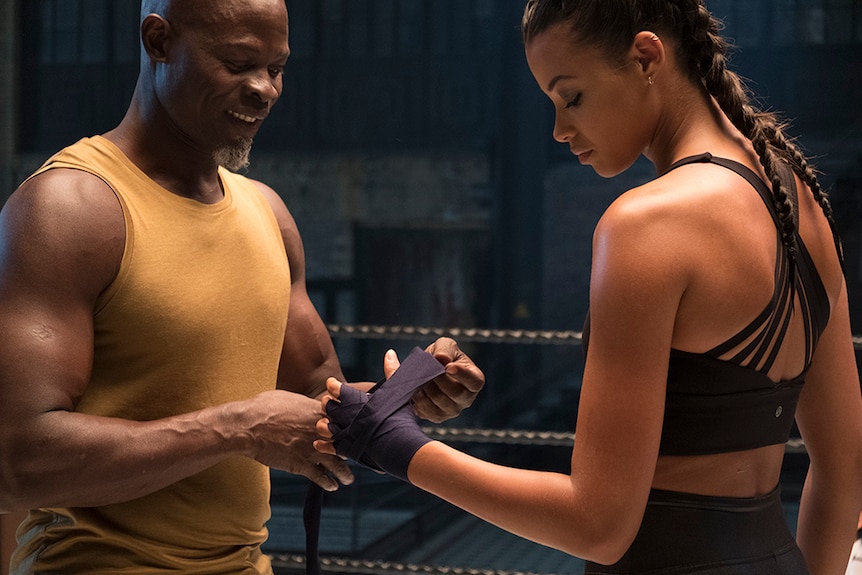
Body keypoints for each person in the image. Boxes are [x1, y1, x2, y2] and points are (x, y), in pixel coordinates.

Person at [316, 1, 862, 574]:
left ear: (647, 57)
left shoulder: (647, 225)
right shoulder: (800, 202)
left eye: (570, 96)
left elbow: (597, 526)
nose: (558, 129)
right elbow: (844, 468)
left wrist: (396, 444)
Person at [0, 0, 485, 573]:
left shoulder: (268, 215)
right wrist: (238, 428)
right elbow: (16, 462)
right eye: (237, 63)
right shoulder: (68, 209)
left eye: (277, 68)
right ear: (158, 42)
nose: (265, 89)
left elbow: (317, 403)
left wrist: (408, 394)